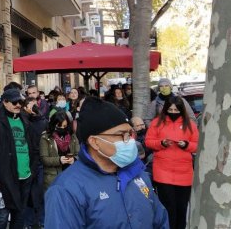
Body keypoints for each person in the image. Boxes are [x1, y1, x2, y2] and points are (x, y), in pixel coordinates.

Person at [44, 98, 169, 228]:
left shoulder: (138, 173)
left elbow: (160, 221)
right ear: (95, 142)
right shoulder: (66, 190)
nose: (130, 141)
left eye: (130, 134)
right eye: (121, 135)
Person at [0, 88, 40, 229]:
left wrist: (32, 171)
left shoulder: (25, 120)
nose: (18, 105)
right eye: (14, 102)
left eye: (20, 102)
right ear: (5, 102)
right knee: (2, 217)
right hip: (4, 178)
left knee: (19, 216)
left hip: (25, 176)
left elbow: (34, 147)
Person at [145, 96, 199, 229]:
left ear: (182, 110)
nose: (173, 112)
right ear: (165, 109)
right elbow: (148, 142)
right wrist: (161, 143)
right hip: (163, 171)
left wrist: (186, 145)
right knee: (168, 207)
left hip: (184, 172)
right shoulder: (157, 123)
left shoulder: (190, 125)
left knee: (181, 208)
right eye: (170, 109)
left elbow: (197, 145)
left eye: (176, 109)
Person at [21, 96, 48, 228]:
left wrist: (36, 115)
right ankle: (28, 222)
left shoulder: (42, 121)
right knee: (28, 195)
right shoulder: (22, 120)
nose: (33, 108)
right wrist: (27, 115)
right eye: (30, 106)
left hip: (39, 161)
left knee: (40, 193)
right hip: (27, 161)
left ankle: (42, 221)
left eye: (35, 105)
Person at [40, 110, 79, 190]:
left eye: (64, 126)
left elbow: (78, 153)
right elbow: (44, 159)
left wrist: (74, 159)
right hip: (53, 177)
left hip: (71, 176)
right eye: (59, 126)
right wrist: (59, 160)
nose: (62, 129)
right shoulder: (46, 138)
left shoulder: (72, 136)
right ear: (53, 124)